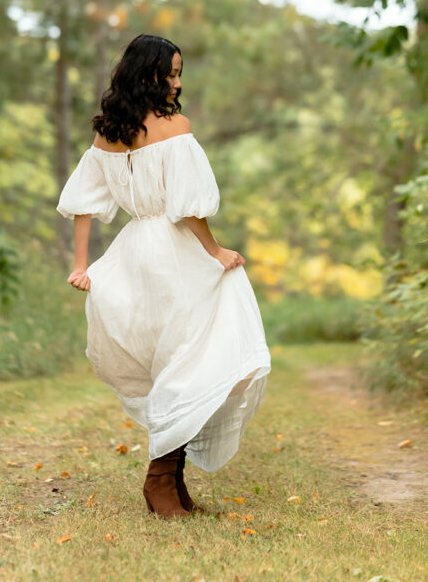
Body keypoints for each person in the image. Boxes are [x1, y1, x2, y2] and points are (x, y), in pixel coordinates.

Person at [56, 33, 271, 518]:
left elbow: (83, 204)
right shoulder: (176, 127)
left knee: (175, 361)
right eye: (170, 74)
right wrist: (214, 250)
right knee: (189, 359)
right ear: (148, 74)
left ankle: (172, 482)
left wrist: (81, 263)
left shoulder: (108, 133)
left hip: (134, 250)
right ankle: (159, 479)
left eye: (179, 74)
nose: (176, 83)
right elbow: (188, 206)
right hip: (172, 249)